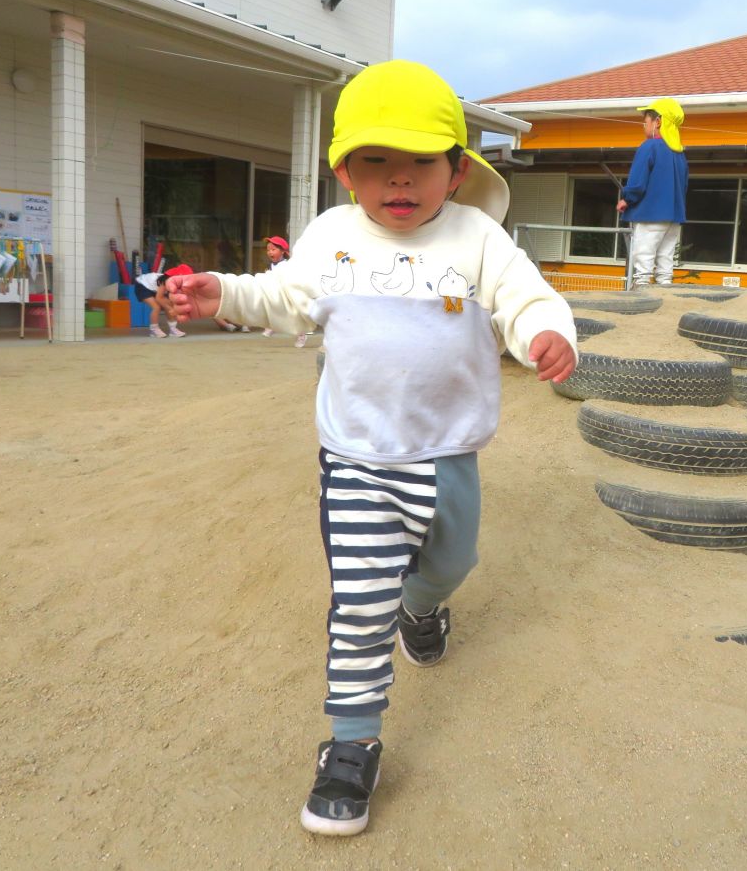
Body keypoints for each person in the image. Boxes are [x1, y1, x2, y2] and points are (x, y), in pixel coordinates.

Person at [167, 60, 578, 837]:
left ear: (457, 170)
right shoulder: (330, 237)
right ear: (344, 171)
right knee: (359, 606)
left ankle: (422, 610)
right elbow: (285, 297)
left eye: (420, 161)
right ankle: (351, 745)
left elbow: (527, 296)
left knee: (450, 565)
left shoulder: (478, 238)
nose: (398, 179)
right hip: (355, 454)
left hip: (448, 451)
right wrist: (222, 292)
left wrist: (543, 332)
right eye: (374, 161)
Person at [615, 98, 689, 287]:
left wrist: (627, 199)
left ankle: (641, 293)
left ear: (658, 122)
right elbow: (684, 186)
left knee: (643, 258)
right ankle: (665, 296)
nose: (644, 126)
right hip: (673, 217)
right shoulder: (679, 153)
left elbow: (638, 182)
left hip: (650, 214)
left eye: (646, 121)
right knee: (666, 261)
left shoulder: (649, 147)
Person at [260, 235, 307, 347]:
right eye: (268, 250)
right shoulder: (270, 265)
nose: (270, 252)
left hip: (290, 294)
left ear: (282, 252)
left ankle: (301, 335)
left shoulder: (287, 265)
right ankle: (272, 326)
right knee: (273, 308)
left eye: (273, 249)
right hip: (277, 293)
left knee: (295, 316)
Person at [134, 263, 189, 337]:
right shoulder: (166, 281)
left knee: (169, 304)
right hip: (143, 285)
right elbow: (159, 298)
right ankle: (154, 330)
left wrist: (171, 308)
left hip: (154, 289)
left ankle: (173, 329)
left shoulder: (176, 283)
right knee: (156, 307)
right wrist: (172, 309)